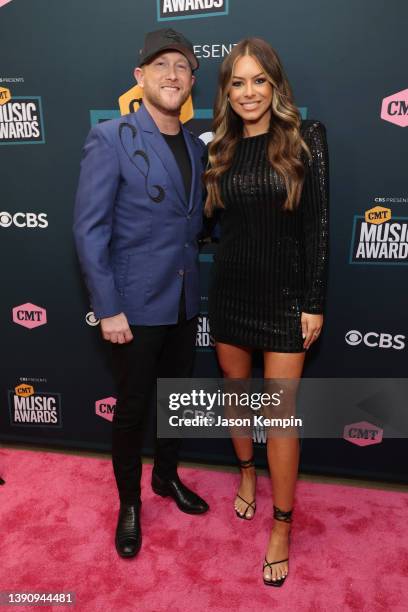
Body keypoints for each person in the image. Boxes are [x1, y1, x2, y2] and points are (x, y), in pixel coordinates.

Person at [73, 28, 209, 559]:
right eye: (161, 66)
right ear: (140, 77)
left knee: (175, 402)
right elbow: (89, 230)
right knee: (131, 410)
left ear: (192, 80)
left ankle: (165, 478)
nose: (172, 75)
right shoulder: (111, 138)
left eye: (182, 67)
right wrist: (107, 307)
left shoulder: (197, 146)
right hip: (131, 306)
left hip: (182, 301)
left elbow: (190, 222)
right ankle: (129, 502)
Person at [204, 38, 329, 586]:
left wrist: (314, 302)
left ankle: (282, 523)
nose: (248, 92)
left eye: (259, 80)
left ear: (275, 85)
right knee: (235, 391)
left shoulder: (307, 140)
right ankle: (247, 473)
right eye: (237, 82)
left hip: (284, 299)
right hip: (230, 289)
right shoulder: (219, 150)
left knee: (280, 416)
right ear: (226, 92)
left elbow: (319, 229)